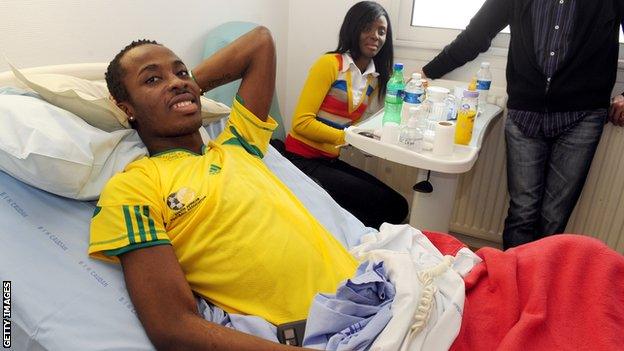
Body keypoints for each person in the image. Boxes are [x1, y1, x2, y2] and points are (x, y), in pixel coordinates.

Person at [89, 27, 357, 351]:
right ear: (126, 108)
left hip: (374, 293)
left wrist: (186, 89)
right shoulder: (133, 188)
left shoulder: (237, 144)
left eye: (180, 71)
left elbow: (260, 42)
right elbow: (173, 327)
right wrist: (177, 92)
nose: (175, 80)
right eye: (152, 80)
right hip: (324, 338)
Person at [421, 0, 624, 249]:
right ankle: (512, 281)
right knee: (522, 212)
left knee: (554, 218)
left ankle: (538, 283)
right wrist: (427, 72)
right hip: (524, 114)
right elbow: (476, 34)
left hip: (581, 117)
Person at [284, 1, 409, 229]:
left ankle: (348, 236)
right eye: (368, 28)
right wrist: (349, 137)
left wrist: (367, 138)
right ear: (353, 29)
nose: (375, 36)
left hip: (329, 161)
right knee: (385, 208)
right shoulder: (330, 64)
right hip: (301, 160)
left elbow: (354, 126)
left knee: (398, 206)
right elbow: (301, 123)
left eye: (382, 31)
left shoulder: (373, 77)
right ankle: (348, 242)